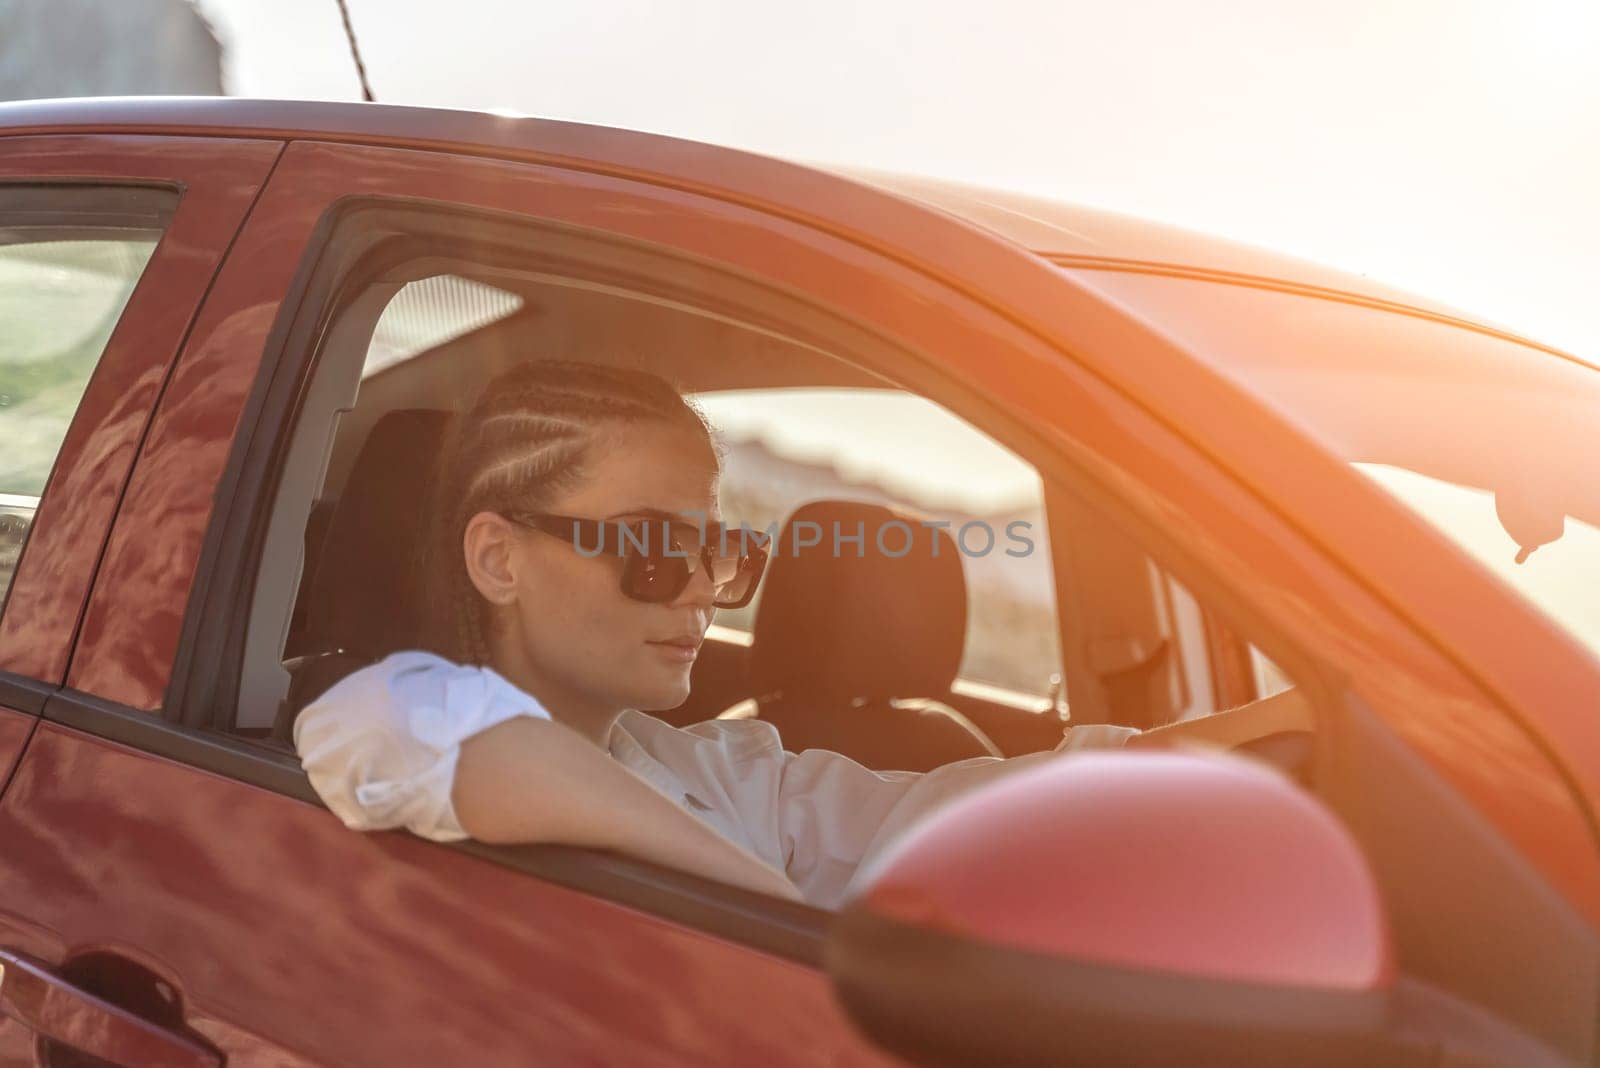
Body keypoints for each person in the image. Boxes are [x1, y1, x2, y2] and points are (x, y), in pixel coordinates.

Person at [296, 360, 1310, 908]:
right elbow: (490, 748)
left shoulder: (724, 768)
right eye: (655, 547)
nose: (699, 590)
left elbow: (965, 809)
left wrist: (1288, 720)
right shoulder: (382, 712)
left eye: (721, 551)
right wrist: (783, 922)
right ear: (498, 559)